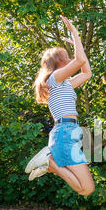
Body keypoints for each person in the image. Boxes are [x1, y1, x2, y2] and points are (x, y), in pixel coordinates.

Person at [24, 16, 95, 197]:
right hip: (64, 133)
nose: (70, 58)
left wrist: (79, 45)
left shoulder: (66, 83)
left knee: (86, 189)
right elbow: (79, 61)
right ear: (59, 62)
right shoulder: (54, 78)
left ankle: (51, 165)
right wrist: (75, 34)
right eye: (67, 57)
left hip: (69, 132)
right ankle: (50, 163)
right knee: (86, 189)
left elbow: (87, 72)